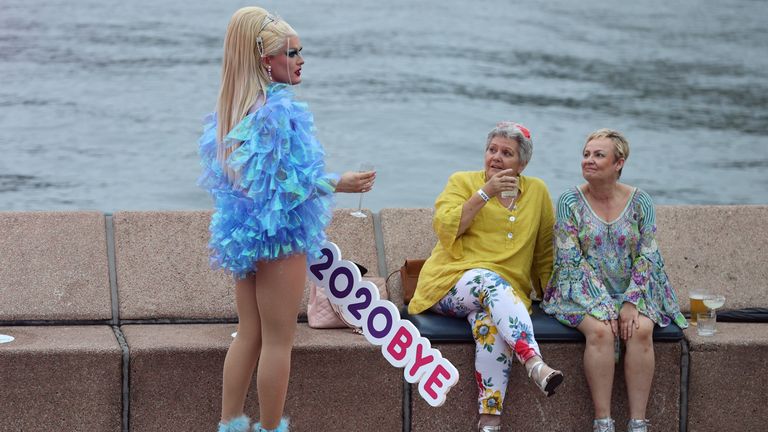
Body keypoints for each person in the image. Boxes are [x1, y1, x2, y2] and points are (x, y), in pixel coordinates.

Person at [197, 7, 375, 432]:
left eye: (300, 51)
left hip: (242, 235)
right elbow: (285, 187)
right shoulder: (276, 110)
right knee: (278, 341)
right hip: (280, 237)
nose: (300, 60)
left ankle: (230, 425)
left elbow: (245, 184)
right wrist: (339, 183)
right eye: (292, 52)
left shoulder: (234, 109)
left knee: (249, 334)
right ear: (266, 60)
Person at [408, 122, 564, 432]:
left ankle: (490, 421)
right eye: (492, 149)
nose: (496, 157)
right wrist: (485, 193)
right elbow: (445, 227)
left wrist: (554, 300)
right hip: (451, 283)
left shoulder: (537, 192)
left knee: (490, 327)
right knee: (487, 279)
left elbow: (544, 254)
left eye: (507, 153)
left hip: (503, 297)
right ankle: (533, 362)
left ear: (522, 164)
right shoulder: (463, 182)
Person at [541, 129, 688, 432]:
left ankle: (637, 423)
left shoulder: (641, 202)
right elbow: (570, 261)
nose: (589, 161)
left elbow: (648, 257)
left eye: (598, 155)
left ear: (618, 163)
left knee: (641, 330)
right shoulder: (569, 201)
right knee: (600, 332)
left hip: (636, 287)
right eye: (586, 154)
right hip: (579, 289)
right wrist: (604, 306)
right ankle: (603, 422)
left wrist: (631, 302)